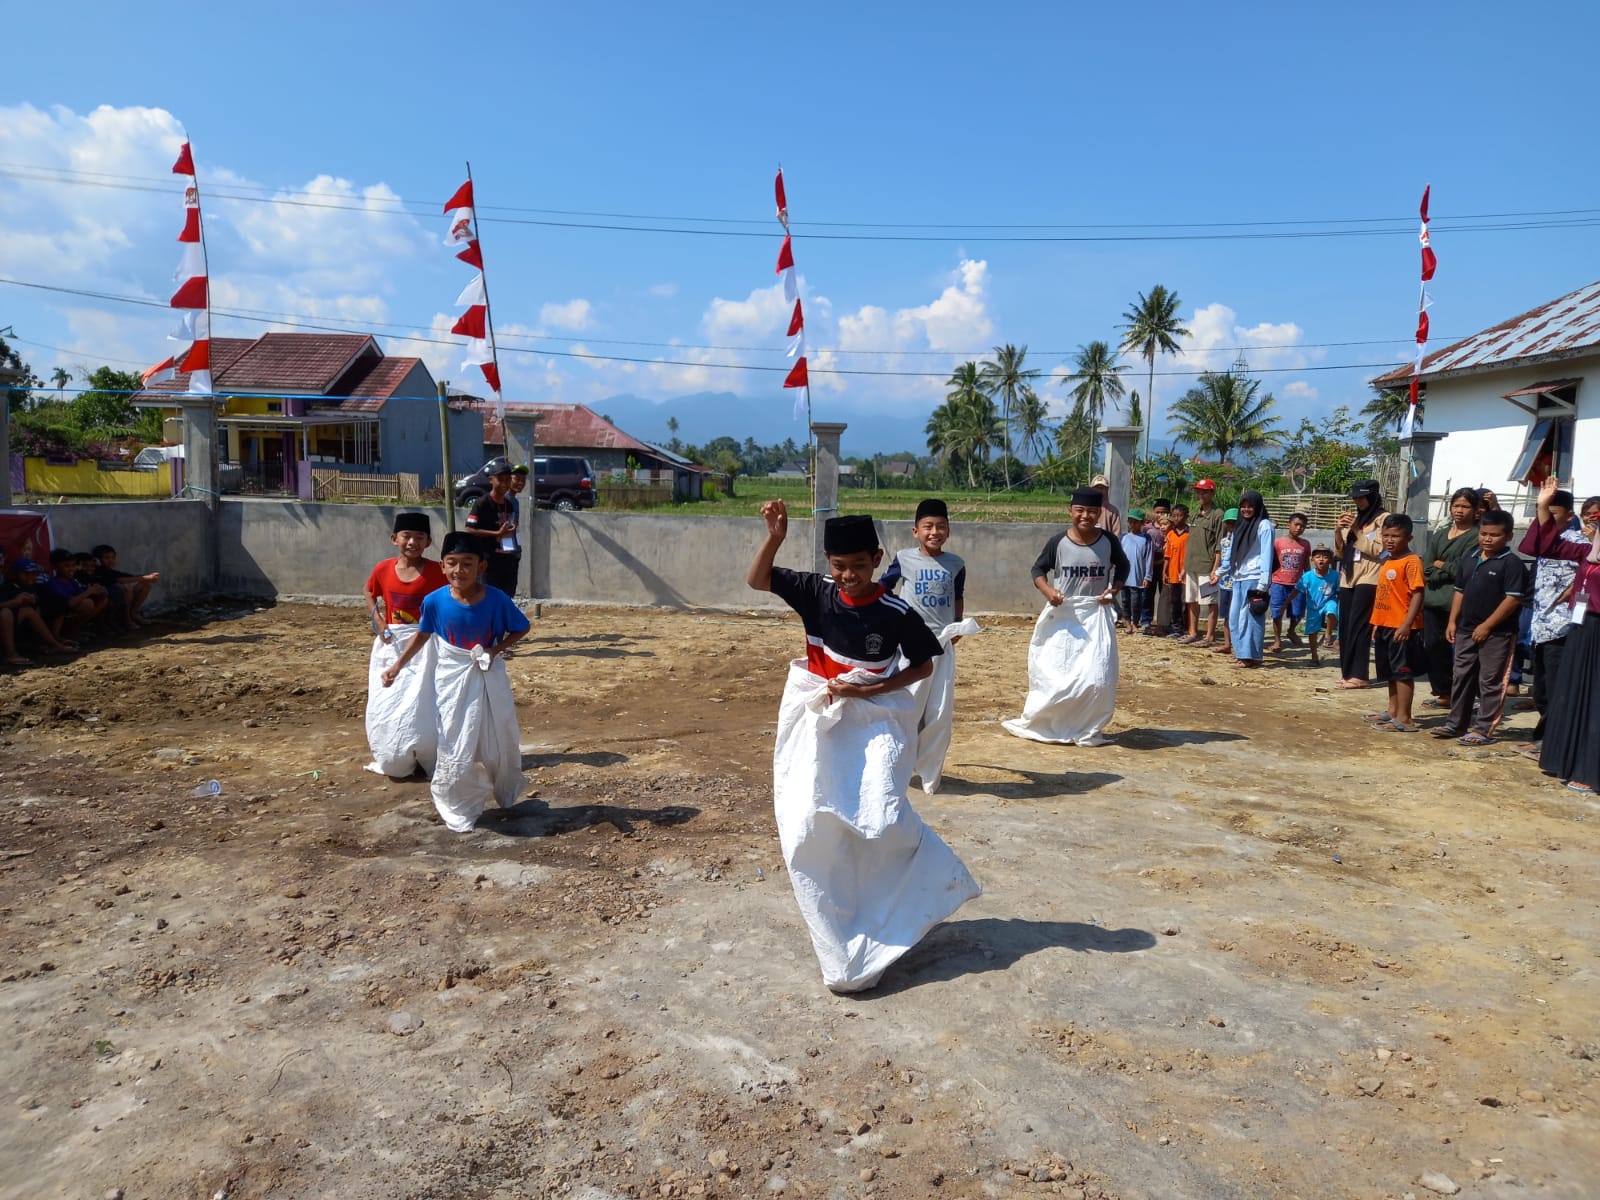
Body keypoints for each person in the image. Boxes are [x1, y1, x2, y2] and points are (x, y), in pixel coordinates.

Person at [748, 503, 979, 992]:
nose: (848, 575)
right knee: (812, 822)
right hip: (819, 723)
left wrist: (868, 691)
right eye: (838, 565)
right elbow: (757, 580)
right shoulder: (815, 592)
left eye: (857, 564)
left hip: (875, 723)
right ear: (828, 563)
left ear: (877, 558)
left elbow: (923, 666)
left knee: (882, 816)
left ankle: (925, 887)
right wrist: (774, 537)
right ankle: (842, 939)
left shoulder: (896, 612)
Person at [381, 530, 530, 831]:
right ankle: (457, 802)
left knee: (497, 737)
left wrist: (494, 650)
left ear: (481, 567)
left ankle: (505, 787)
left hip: (488, 674)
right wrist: (397, 665)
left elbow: (521, 627)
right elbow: (424, 634)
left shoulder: (496, 600)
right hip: (451, 677)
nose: (459, 571)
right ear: (442, 566)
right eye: (452, 563)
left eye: (467, 563)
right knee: (453, 741)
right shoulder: (435, 601)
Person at [1004, 486, 1131, 745]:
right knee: (1059, 675)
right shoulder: (1058, 542)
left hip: (1096, 615)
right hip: (1063, 617)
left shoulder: (1109, 542)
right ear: (1070, 511)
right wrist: (1049, 592)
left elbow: (1124, 567)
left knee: (1098, 677)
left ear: (1099, 513)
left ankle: (1087, 726)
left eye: (1092, 511)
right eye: (1080, 510)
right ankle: (1052, 723)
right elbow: (1037, 570)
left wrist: (1113, 590)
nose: (1086, 516)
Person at [881, 498, 975, 794]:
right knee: (907, 706)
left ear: (948, 530)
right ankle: (895, 766)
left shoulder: (956, 564)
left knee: (939, 711)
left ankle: (930, 774)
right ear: (915, 531)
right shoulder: (903, 558)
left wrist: (958, 622)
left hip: (943, 645)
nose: (935, 532)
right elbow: (885, 588)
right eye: (928, 527)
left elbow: (957, 596)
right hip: (910, 645)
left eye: (941, 527)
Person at [364, 512, 449, 779]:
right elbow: (369, 591)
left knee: (426, 700)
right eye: (407, 536)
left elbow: (454, 596)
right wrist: (375, 616)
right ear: (394, 539)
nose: (412, 542)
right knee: (390, 699)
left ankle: (430, 753)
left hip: (427, 645)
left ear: (428, 542)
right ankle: (395, 752)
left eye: (419, 537)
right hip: (392, 644)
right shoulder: (383, 569)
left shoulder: (438, 571)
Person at [1432, 510, 1527, 746]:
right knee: (1461, 676)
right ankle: (1456, 723)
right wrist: (1453, 620)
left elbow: (1512, 599)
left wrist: (1487, 626)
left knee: (1490, 681)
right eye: (1484, 533)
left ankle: (1484, 728)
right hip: (1465, 629)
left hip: (1498, 633)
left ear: (1508, 537)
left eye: (1494, 535)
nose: (1487, 539)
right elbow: (1459, 591)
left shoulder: (1511, 564)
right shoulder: (1470, 557)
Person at [1530, 478, 1600, 793]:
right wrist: (1543, 505)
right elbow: (1547, 546)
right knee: (1574, 695)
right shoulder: (1588, 549)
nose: (1591, 523)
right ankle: (1567, 760)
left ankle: (1590, 769)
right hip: (1582, 629)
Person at [1516, 485, 1593, 757]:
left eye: (1553, 513)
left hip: (1563, 626)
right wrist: (1540, 508)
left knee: (1557, 689)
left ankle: (1551, 742)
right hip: (1541, 625)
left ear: (1570, 515)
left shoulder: (1581, 543)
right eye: (1544, 515)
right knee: (1541, 689)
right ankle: (1544, 738)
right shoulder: (1548, 542)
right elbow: (1534, 545)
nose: (1546, 520)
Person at [1363, 514, 1427, 731]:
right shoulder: (1388, 559)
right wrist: (1376, 623)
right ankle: (1392, 711)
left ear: (1408, 537)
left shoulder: (1412, 561)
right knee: (1389, 671)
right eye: (1386, 535)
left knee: (1402, 672)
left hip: (1402, 627)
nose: (1389, 540)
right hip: (1384, 624)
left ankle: (1405, 718)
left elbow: (1418, 594)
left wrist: (1407, 624)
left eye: (1395, 536)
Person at [1420, 488, 1481, 709]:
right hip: (1433, 600)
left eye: (1465, 507)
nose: (1459, 510)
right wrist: (1443, 569)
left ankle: (1465, 696)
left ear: (1475, 511)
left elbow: (1464, 569)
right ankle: (1444, 692)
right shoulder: (1440, 533)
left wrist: (1441, 566)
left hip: (1458, 600)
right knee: (1433, 646)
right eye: (1456, 505)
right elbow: (1426, 565)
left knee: (1463, 652)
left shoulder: (1476, 536)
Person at [1333, 479, 1389, 689]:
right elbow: (1340, 552)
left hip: (1370, 577)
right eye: (1355, 497)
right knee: (1346, 627)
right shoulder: (1356, 519)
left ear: (1372, 497)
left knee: (1360, 627)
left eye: (1362, 497)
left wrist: (1356, 530)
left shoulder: (1384, 519)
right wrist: (1338, 530)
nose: (1358, 501)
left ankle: (1360, 674)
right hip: (1348, 577)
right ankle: (1348, 673)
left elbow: (1378, 550)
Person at [1223, 490, 1275, 668]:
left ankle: (1250, 656)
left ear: (1257, 506)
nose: (1246, 509)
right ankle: (1241, 652)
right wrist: (1221, 570)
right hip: (1238, 576)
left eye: (1250, 506)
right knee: (1235, 618)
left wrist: (1264, 582)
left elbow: (1267, 554)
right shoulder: (1240, 525)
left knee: (1249, 618)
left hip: (1254, 577)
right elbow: (1232, 551)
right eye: (1243, 506)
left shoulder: (1264, 525)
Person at [0, 549, 75, 664]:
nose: (31, 577)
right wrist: (14, 602)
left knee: (48, 604)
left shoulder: (30, 586)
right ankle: (10, 654)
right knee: (6, 612)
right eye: (26, 574)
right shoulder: (9, 587)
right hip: (7, 620)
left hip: (16, 624)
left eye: (34, 573)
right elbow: (7, 606)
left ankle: (49, 642)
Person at [463, 457, 521, 596]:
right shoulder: (482, 503)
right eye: (500, 479)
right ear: (491, 480)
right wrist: (496, 534)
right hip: (489, 561)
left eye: (507, 480)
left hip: (508, 559)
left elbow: (509, 526)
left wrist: (511, 532)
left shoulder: (509, 504)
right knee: (488, 597)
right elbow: (470, 529)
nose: (504, 484)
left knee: (506, 598)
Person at [1180, 480, 1223, 646]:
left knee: (1210, 602)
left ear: (1212, 493)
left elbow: (1219, 544)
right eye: (1198, 492)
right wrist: (1184, 566)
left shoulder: (1218, 515)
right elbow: (1191, 543)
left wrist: (1215, 569)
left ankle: (1210, 636)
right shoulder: (1196, 514)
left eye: (1205, 492)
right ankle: (1193, 632)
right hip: (1191, 566)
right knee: (1191, 600)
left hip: (1207, 566)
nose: (1201, 495)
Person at [43, 548, 108, 642]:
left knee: (102, 599)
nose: (71, 569)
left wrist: (96, 590)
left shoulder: (72, 581)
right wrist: (89, 592)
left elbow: (81, 594)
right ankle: (65, 633)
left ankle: (75, 629)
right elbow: (67, 604)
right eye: (67, 566)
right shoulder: (52, 583)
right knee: (87, 603)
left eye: (73, 565)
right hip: (58, 617)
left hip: (70, 612)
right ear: (55, 567)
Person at [90, 544, 160, 630]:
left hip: (120, 599)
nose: (111, 560)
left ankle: (133, 613)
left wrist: (146, 578)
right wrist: (147, 577)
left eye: (113, 557)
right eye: (107, 558)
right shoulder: (99, 572)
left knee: (145, 585)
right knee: (127, 587)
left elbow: (126, 576)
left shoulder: (110, 571)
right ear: (98, 560)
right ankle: (126, 619)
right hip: (109, 599)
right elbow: (119, 580)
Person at [1270, 513, 1311, 653]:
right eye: (1296, 524)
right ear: (1289, 524)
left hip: (1297, 585)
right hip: (1278, 583)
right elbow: (1271, 562)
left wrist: (1309, 580)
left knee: (1298, 612)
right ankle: (1277, 640)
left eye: (1302, 526)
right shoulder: (1278, 542)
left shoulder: (1305, 544)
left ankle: (1292, 630)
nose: (1299, 528)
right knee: (1277, 613)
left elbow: (1306, 564)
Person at [1297, 546, 1340, 667]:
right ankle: (1314, 657)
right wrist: (1286, 603)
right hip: (1313, 607)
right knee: (1312, 632)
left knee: (1331, 611)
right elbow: (1297, 590)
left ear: (1330, 560)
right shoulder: (1307, 576)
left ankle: (1328, 634)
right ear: (1312, 559)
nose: (1321, 560)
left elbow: (1339, 591)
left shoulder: (1335, 575)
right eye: (1318, 557)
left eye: (1325, 557)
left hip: (1329, 601)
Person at [1118, 508, 1153, 635]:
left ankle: (1135, 623)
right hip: (1124, 576)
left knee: (1136, 601)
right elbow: (1118, 556)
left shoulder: (1146, 539)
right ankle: (1127, 622)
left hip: (1137, 576)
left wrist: (1147, 576)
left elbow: (1149, 558)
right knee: (1125, 601)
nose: (1133, 525)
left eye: (1136, 522)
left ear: (1142, 523)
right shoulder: (1123, 538)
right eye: (1131, 522)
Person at [1212, 508, 1238, 656]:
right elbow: (1222, 560)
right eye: (1228, 523)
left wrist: (1217, 573)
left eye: (1233, 523)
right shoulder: (1224, 542)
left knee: (1237, 615)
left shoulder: (1243, 541)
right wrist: (1216, 572)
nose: (1231, 526)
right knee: (1227, 615)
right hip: (1225, 584)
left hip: (1238, 584)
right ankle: (1228, 643)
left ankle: (1237, 645)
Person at [1163, 504, 1190, 638]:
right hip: (1173, 573)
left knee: (1186, 601)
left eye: (1180, 515)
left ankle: (1187, 627)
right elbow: (1167, 556)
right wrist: (1165, 571)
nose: (1177, 518)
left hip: (1186, 574)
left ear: (1186, 517)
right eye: (1174, 515)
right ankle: (1176, 627)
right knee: (1175, 601)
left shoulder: (1190, 534)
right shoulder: (1170, 534)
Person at [1144, 499, 1171, 635]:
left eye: (1164, 512)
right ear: (1154, 512)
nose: (1160, 515)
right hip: (1151, 564)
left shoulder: (1171, 529)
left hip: (1165, 565)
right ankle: (1146, 620)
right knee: (1148, 593)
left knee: (1165, 594)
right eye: (1158, 512)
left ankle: (1165, 622)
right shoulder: (1147, 529)